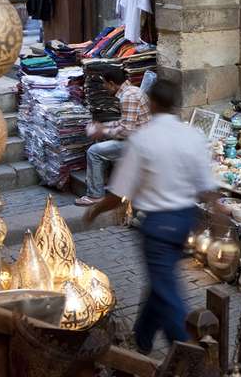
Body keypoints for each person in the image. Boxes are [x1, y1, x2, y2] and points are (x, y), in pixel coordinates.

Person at [84, 78, 218, 353]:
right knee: (160, 279)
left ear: (152, 103)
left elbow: (120, 191)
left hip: (158, 223)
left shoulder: (144, 139)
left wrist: (96, 209)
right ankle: (142, 338)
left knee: (167, 291)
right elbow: (207, 187)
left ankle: (185, 352)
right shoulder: (192, 135)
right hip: (185, 219)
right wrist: (219, 217)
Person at [74, 68, 150, 207]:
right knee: (102, 142)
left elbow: (127, 130)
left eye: (104, 84)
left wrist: (104, 131)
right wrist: (103, 126)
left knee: (94, 151)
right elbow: (125, 123)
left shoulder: (129, 97)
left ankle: (95, 194)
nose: (103, 87)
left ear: (112, 83)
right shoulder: (131, 91)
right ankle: (108, 183)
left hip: (140, 145)